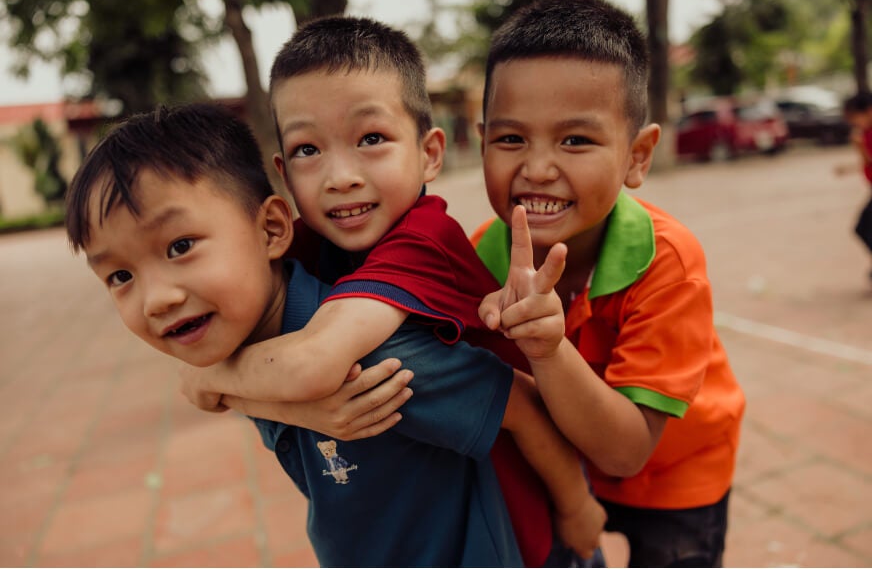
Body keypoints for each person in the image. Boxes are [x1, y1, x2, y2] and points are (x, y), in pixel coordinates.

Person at [63, 102, 605, 567]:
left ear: (273, 229)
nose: (156, 298)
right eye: (120, 276)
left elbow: (520, 405)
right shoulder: (235, 341)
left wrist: (577, 509)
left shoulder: (373, 356)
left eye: (180, 247)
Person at [177, 15, 605, 567]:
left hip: (519, 521)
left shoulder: (422, 239)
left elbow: (310, 365)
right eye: (309, 150)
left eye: (372, 139)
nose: (341, 176)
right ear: (282, 172)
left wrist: (575, 508)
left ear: (429, 153)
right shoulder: (310, 240)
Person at [471, 0, 746, 567]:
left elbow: (628, 452)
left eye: (575, 140)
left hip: (677, 470)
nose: (538, 167)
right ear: (481, 142)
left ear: (637, 155)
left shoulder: (667, 261)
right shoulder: (479, 256)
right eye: (510, 139)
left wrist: (546, 348)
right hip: (565, 463)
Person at [840, 92, 872, 280]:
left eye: (855, 119)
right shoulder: (866, 133)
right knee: (863, 228)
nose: (854, 124)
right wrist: (849, 168)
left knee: (864, 227)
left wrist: (859, 148)